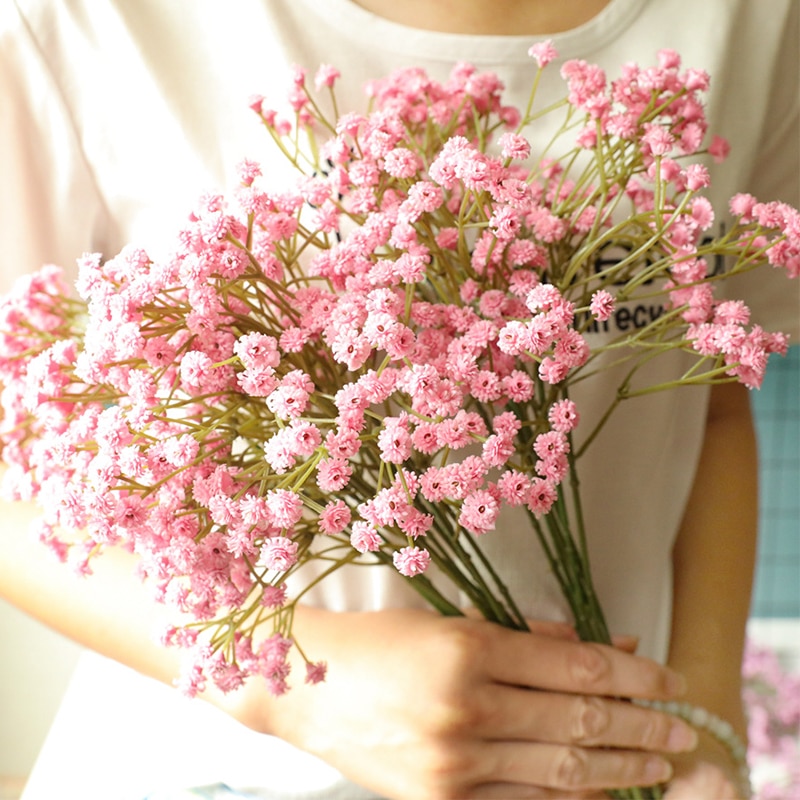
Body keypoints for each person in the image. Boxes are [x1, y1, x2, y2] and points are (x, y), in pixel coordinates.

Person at [0, 1, 798, 798]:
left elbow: (714, 390)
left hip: (604, 766)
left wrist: (700, 726)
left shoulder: (751, 17)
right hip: (221, 770)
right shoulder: (79, 20)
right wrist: (294, 689)